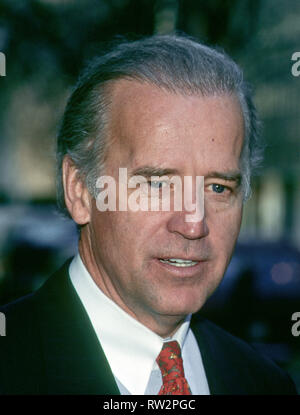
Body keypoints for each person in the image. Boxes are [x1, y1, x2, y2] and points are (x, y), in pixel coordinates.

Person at [0, 34, 297, 395]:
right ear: (79, 189)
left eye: (218, 188)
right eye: (157, 183)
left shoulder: (264, 385)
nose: (193, 224)